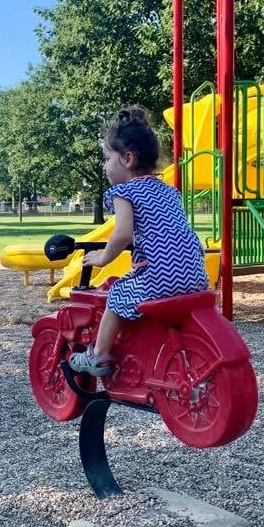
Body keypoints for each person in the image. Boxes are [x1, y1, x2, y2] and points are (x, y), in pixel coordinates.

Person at [67, 107, 210, 377]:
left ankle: (98, 357)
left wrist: (102, 258)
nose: (104, 165)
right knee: (134, 284)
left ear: (128, 158)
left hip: (160, 279)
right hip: (196, 276)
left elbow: (121, 233)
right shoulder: (169, 190)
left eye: (107, 158)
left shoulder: (123, 191)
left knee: (116, 296)